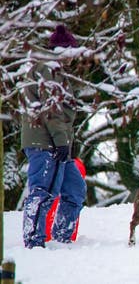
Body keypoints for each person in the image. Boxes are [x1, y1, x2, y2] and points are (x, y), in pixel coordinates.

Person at [21, 24, 87, 248]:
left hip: (57, 144)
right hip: (45, 143)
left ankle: (62, 238)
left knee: (75, 189)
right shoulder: (48, 70)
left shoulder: (57, 72)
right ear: (64, 49)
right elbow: (52, 112)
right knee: (43, 191)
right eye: (72, 51)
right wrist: (61, 143)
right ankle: (33, 241)